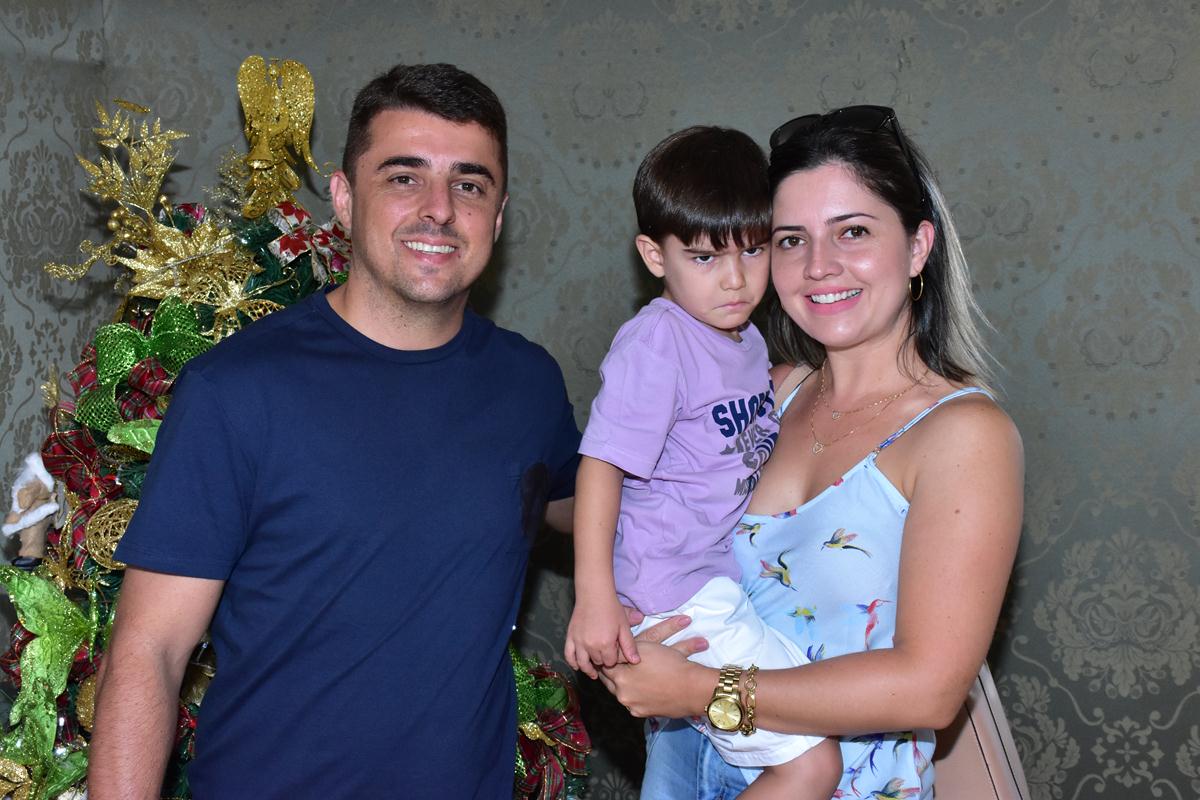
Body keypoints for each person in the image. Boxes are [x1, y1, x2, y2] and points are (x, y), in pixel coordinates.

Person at [88, 63, 581, 799]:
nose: (439, 210)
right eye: (404, 178)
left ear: (499, 215)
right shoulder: (236, 391)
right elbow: (150, 650)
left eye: (469, 185)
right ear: (345, 200)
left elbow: (588, 511)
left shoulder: (529, 384)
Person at [596, 105, 1024, 799]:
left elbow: (929, 688)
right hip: (684, 767)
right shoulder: (763, 393)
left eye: (853, 231)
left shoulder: (964, 434)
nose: (819, 266)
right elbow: (635, 490)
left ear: (918, 246)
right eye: (790, 240)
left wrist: (702, 688)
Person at [565, 126, 841, 799]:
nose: (736, 279)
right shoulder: (658, 341)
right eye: (704, 257)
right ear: (653, 256)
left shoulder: (745, 339)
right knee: (812, 763)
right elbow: (601, 466)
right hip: (675, 590)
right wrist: (595, 599)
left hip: (712, 579)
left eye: (754, 250)